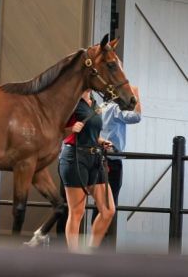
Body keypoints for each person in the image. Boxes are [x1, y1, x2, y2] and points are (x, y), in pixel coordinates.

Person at [58, 89, 115, 252]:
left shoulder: (95, 102)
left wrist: (101, 141)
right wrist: (70, 129)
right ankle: (74, 257)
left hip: (94, 157)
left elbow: (91, 132)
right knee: (77, 212)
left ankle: (90, 252)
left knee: (108, 210)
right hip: (74, 157)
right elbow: (54, 131)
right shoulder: (71, 101)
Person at [91, 86, 141, 233]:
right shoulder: (114, 109)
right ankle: (100, 242)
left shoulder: (99, 108)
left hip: (98, 158)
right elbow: (136, 117)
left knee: (99, 202)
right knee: (109, 204)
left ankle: (95, 241)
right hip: (112, 159)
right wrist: (136, 95)